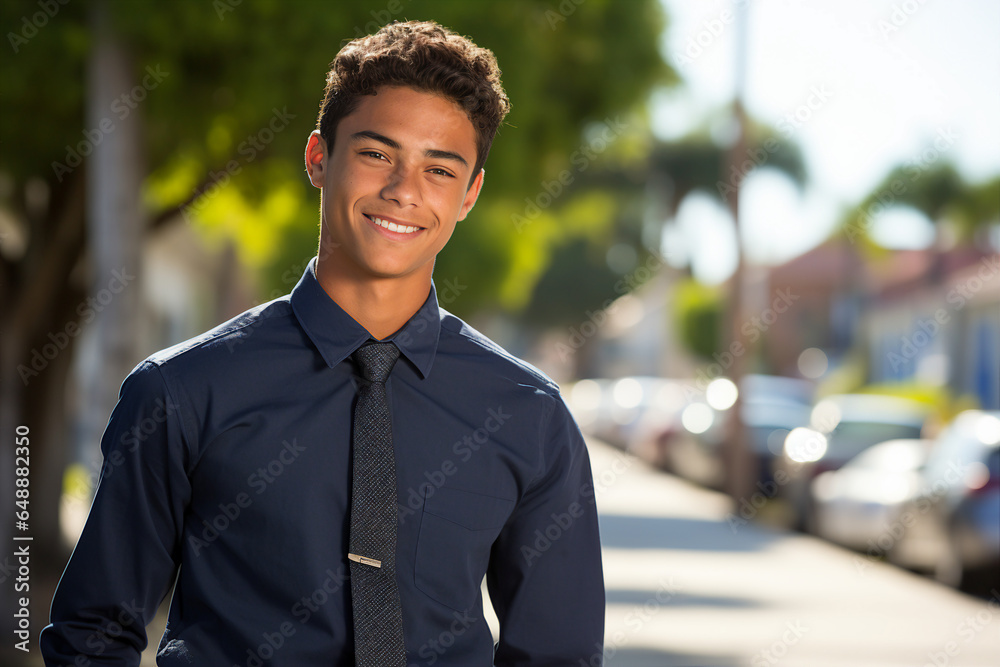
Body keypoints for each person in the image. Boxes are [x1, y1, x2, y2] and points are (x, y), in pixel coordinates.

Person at [40, 19, 604, 666]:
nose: (404, 190)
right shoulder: (181, 391)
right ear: (318, 158)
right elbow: (92, 636)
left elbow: (559, 654)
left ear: (470, 193)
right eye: (376, 154)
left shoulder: (530, 415)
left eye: (440, 169)